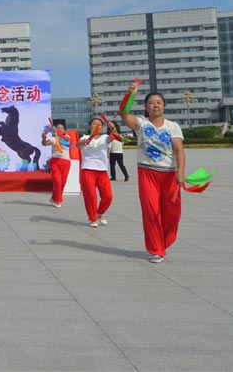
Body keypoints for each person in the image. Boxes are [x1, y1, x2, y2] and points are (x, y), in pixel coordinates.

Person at [120, 80, 185, 263]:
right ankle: (157, 248)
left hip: (170, 174)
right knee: (151, 211)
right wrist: (131, 94)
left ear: (164, 106)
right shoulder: (141, 124)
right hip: (148, 173)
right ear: (146, 107)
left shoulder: (173, 126)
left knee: (173, 213)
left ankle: (163, 241)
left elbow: (179, 150)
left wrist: (180, 173)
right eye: (151, 102)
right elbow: (124, 114)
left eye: (158, 102)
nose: (155, 105)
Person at [78, 118, 113, 228]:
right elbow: (77, 145)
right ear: (90, 126)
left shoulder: (104, 138)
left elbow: (113, 136)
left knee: (108, 196)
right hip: (88, 169)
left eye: (99, 124)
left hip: (102, 170)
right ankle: (93, 218)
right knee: (91, 196)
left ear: (102, 127)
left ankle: (100, 212)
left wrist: (113, 128)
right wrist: (82, 142)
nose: (97, 126)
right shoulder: (85, 137)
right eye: (94, 124)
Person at [41, 122, 71, 207]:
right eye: (58, 128)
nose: (59, 129)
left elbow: (67, 140)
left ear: (64, 130)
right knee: (57, 182)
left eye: (61, 128)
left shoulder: (67, 137)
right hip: (55, 162)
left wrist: (62, 136)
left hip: (66, 162)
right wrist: (44, 137)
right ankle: (58, 200)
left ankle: (53, 197)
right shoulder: (53, 139)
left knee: (62, 183)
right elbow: (44, 144)